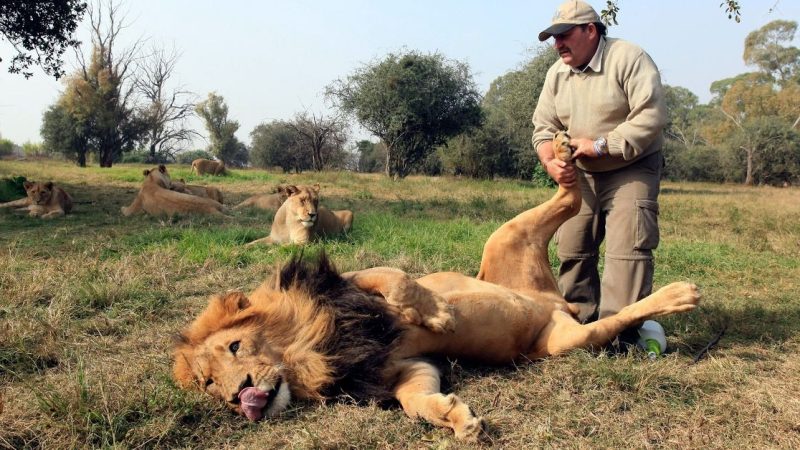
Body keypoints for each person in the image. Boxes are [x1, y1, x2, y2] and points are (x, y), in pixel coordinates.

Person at [531, 0, 667, 333]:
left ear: (590, 30)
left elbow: (651, 116)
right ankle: (579, 324)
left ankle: (619, 331)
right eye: (553, 37)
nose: (558, 43)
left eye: (564, 34)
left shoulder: (629, 58)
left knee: (627, 249)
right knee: (572, 246)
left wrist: (601, 144)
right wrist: (550, 162)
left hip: (632, 165)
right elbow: (544, 128)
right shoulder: (557, 75)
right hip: (583, 172)